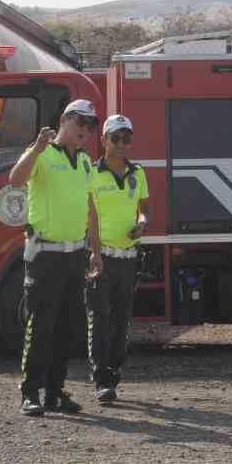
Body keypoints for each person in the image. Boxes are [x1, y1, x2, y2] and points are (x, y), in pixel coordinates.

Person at [8, 98, 102, 417]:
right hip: (44, 254)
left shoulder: (87, 161)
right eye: (80, 122)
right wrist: (35, 149)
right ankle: (30, 392)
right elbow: (15, 180)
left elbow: (90, 208)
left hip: (75, 254)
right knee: (41, 324)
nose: (85, 130)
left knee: (67, 326)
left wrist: (96, 251)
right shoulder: (43, 153)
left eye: (91, 125)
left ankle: (54, 392)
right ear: (64, 119)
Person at [86, 114, 150, 403]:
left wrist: (142, 222)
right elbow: (89, 216)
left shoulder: (138, 173)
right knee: (100, 317)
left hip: (128, 257)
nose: (122, 144)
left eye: (127, 139)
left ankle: (113, 374)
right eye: (116, 138)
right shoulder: (91, 173)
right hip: (101, 257)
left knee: (121, 319)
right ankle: (101, 379)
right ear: (103, 140)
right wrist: (94, 254)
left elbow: (142, 208)